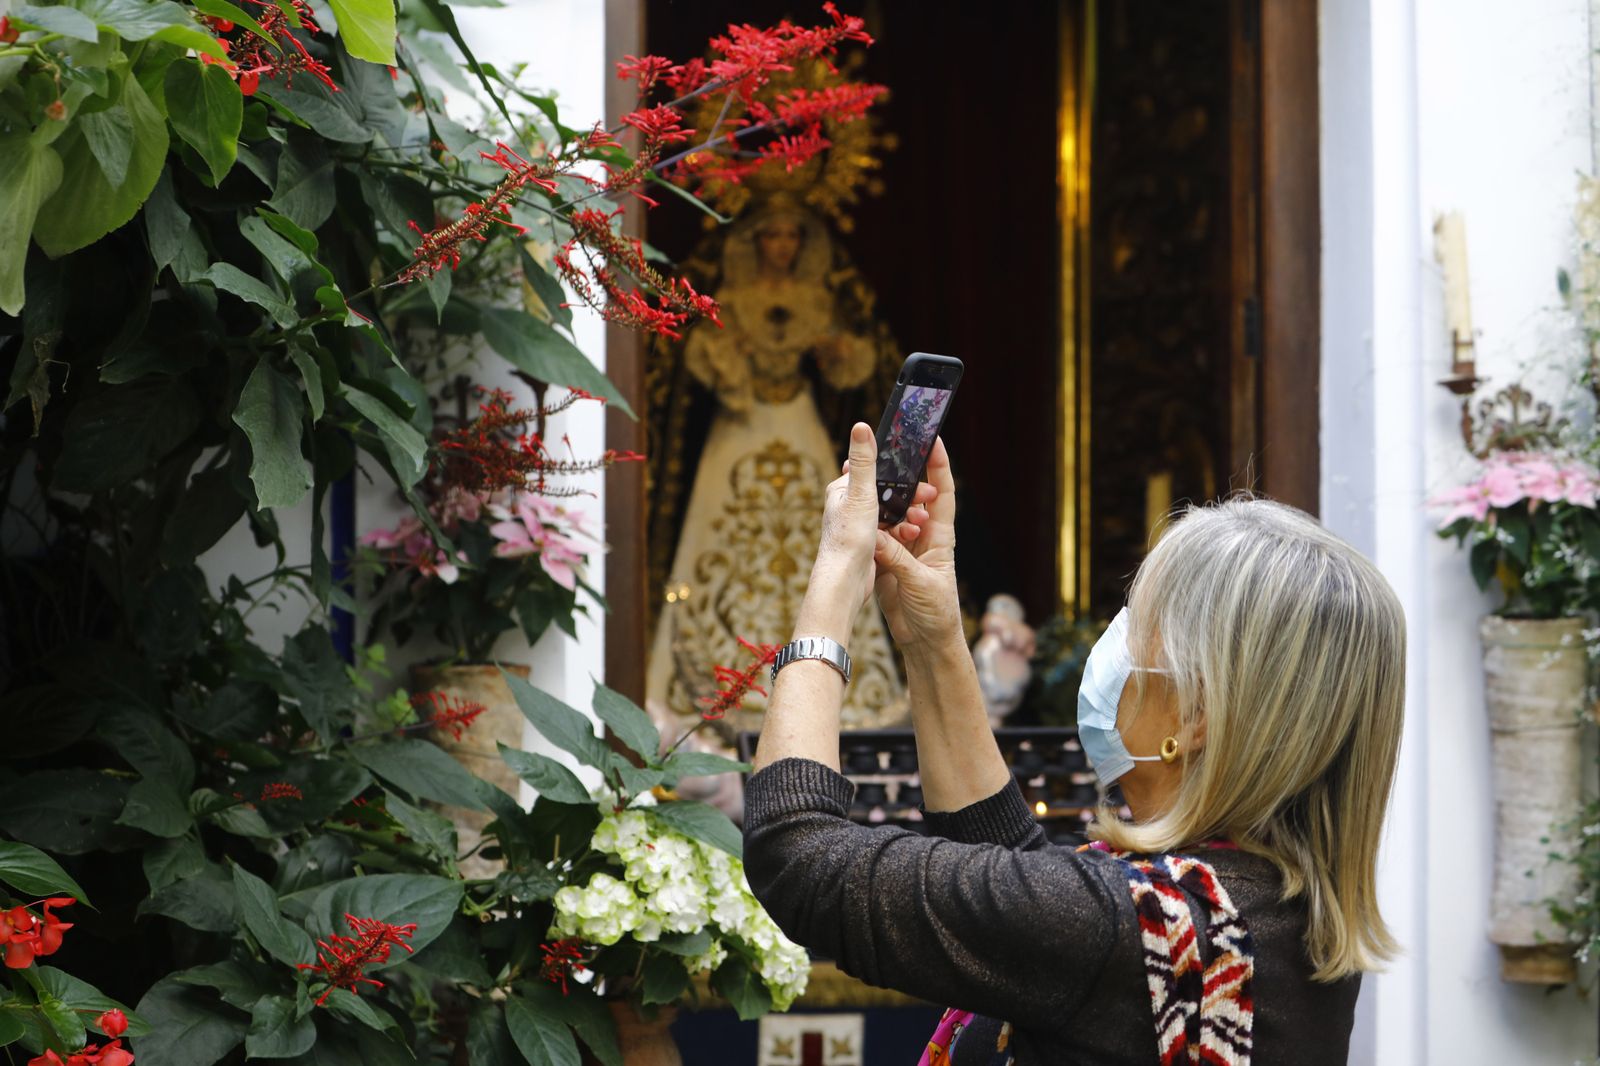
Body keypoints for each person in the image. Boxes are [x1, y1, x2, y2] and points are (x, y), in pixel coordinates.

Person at [743, 424, 1405, 1064]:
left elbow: (799, 857)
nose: (1116, 638)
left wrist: (834, 581)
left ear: (1195, 712)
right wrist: (932, 637)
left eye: (1137, 619)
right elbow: (1023, 893)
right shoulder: (1255, 908)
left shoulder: (1125, 926)